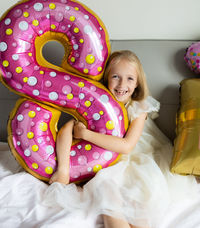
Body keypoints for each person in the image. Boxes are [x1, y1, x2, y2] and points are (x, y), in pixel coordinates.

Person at [47, 50, 199, 228]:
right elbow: (66, 129)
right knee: (107, 195)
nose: (122, 84)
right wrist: (63, 170)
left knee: (138, 201)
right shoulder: (95, 104)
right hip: (109, 164)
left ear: (137, 84)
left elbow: (127, 146)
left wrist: (86, 135)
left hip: (139, 158)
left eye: (130, 79)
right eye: (116, 77)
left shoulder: (138, 106)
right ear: (106, 78)